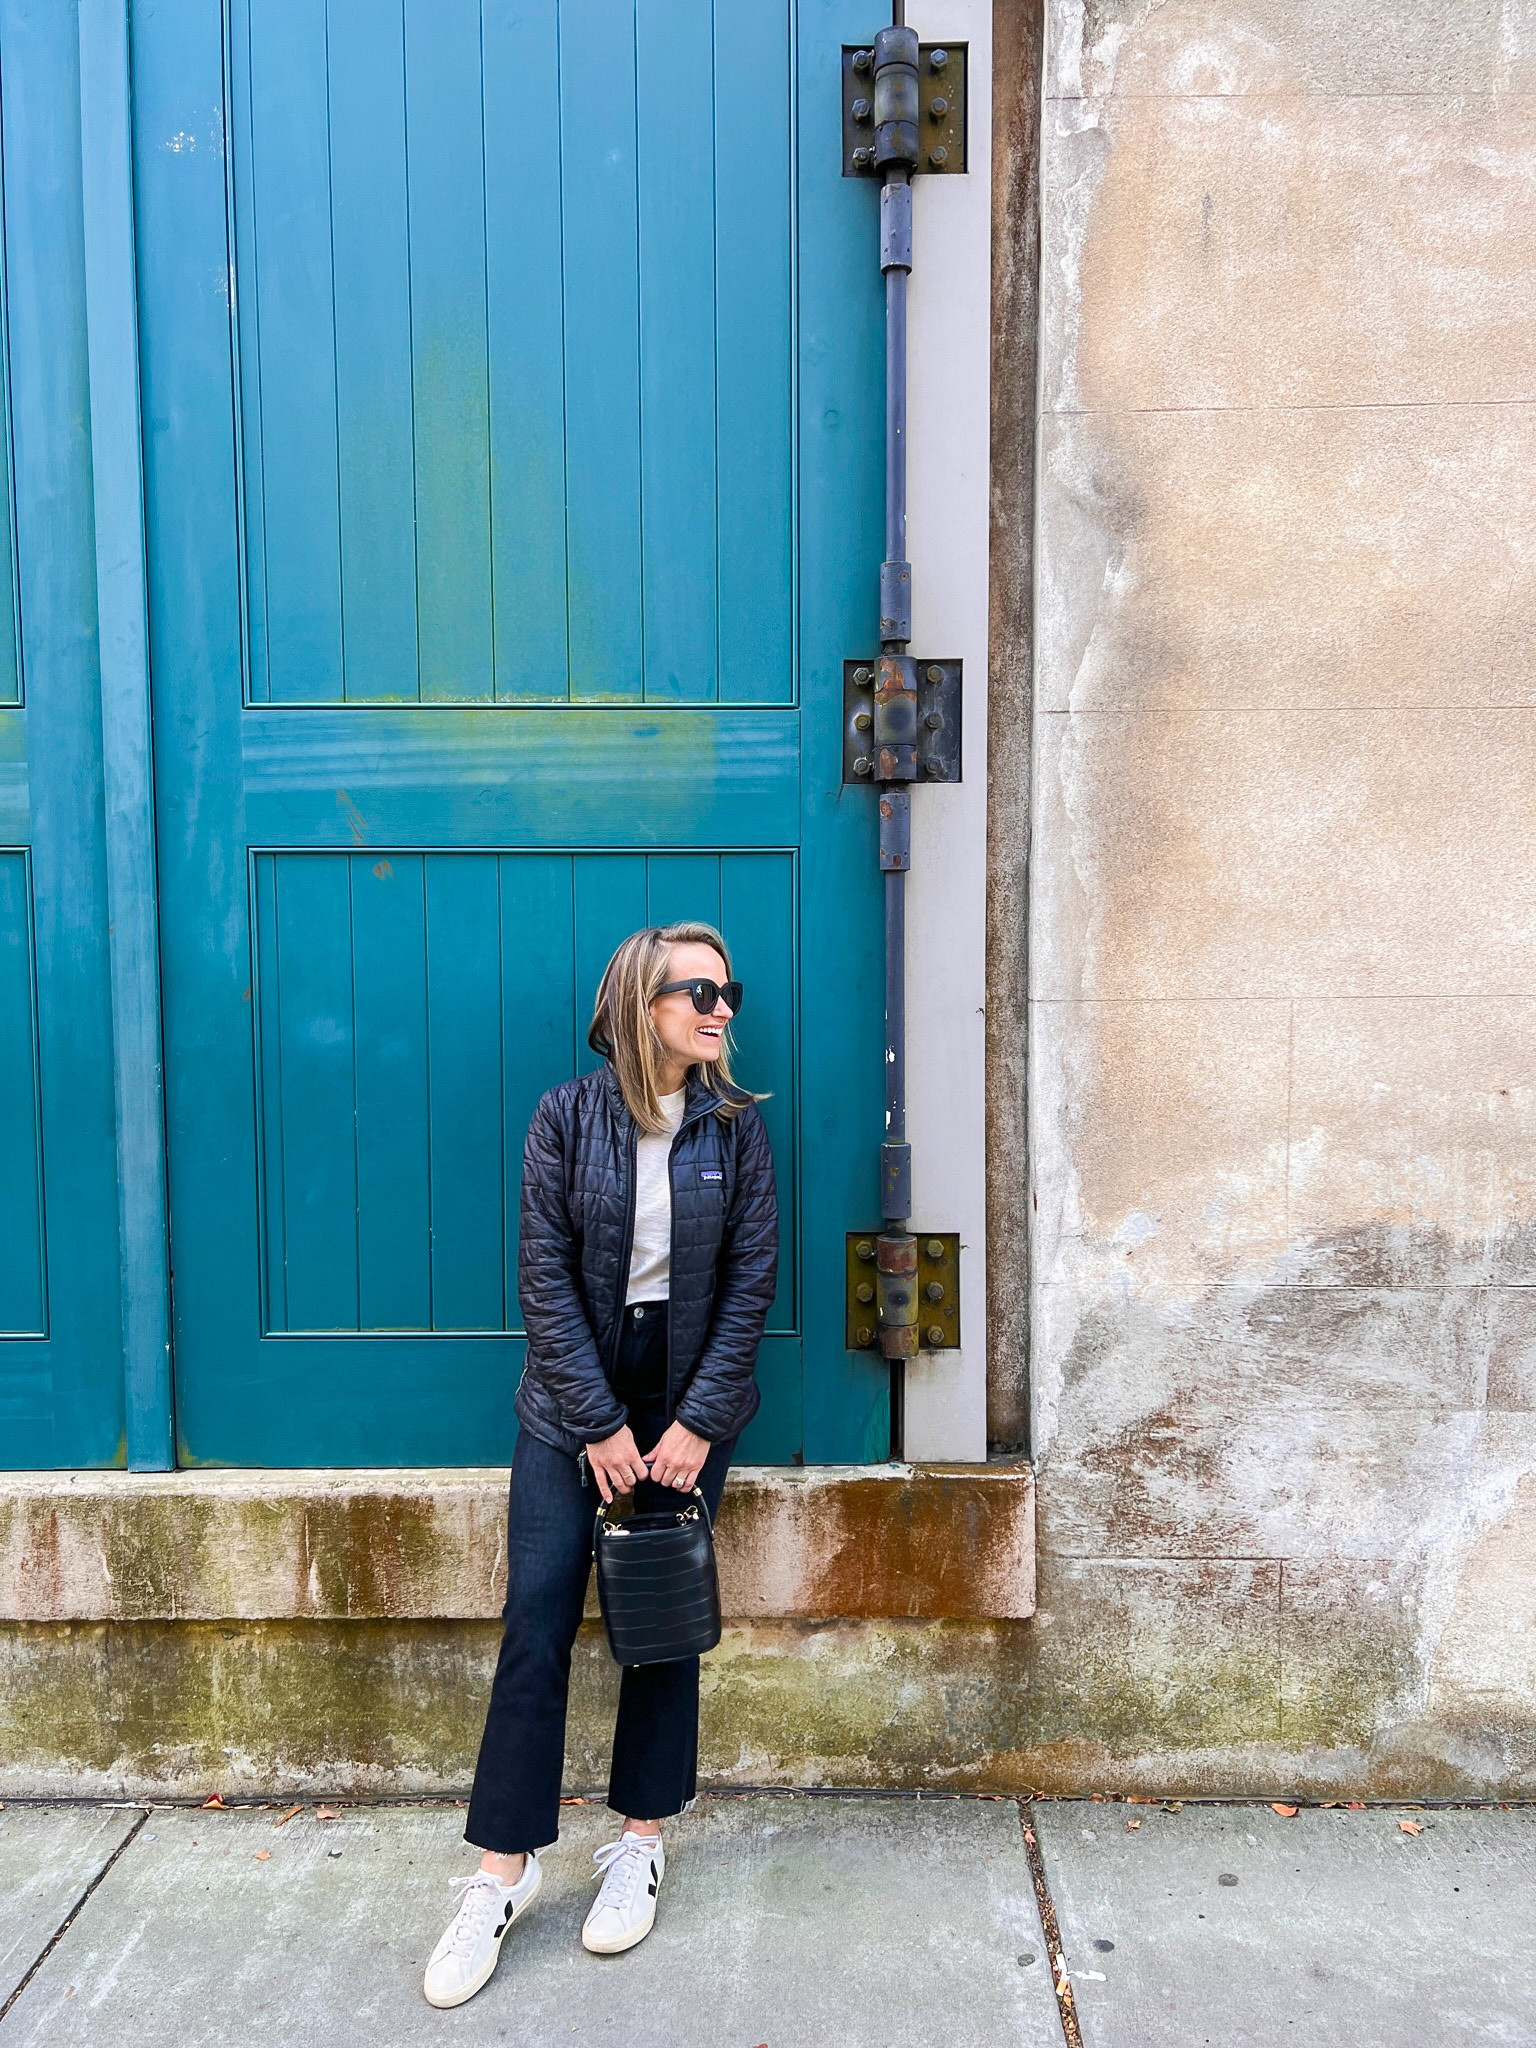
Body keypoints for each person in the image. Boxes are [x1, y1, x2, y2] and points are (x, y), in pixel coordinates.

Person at [423, 920, 778, 2009]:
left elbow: (751, 1279)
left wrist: (698, 1423)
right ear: (641, 1003)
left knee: (662, 1623)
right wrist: (595, 1422)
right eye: (699, 991)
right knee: (537, 1613)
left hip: (686, 1406)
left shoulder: (736, 1128)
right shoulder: (564, 1119)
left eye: (729, 992)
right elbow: (544, 1280)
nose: (721, 1009)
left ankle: (639, 1841)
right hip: (570, 1403)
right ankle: (503, 1870)